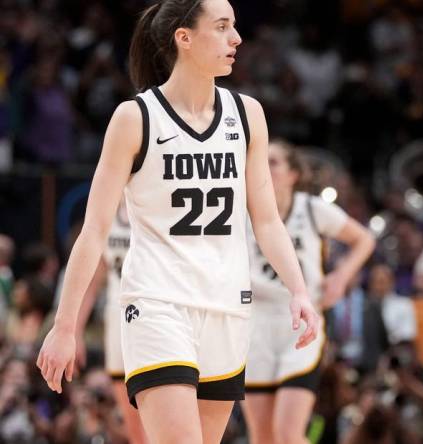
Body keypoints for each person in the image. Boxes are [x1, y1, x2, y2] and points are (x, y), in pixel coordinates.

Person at [35, 1, 319, 443]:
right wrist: (65, 324)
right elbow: (94, 229)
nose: (236, 39)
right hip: (157, 302)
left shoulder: (248, 115)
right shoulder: (135, 117)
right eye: (223, 27)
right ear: (183, 38)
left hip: (227, 305)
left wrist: (298, 289)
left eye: (235, 26)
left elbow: (266, 220)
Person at [242, 140, 375, 444]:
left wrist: (340, 276)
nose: (264, 167)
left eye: (273, 162)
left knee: (288, 436)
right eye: (261, 161)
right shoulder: (241, 209)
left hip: (300, 326)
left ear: (294, 174)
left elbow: (364, 239)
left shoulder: (313, 209)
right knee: (262, 438)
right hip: (254, 325)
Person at [73, 202, 147, 444]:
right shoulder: (106, 213)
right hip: (118, 319)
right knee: (131, 417)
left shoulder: (155, 199)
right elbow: (91, 283)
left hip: (157, 313)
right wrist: (74, 332)